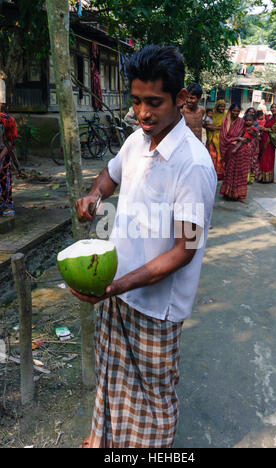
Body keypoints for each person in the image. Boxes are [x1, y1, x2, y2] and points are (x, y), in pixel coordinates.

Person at [74, 45, 217, 449]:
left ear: (181, 100)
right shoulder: (137, 141)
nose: (143, 113)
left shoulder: (192, 164)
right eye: (136, 101)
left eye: (154, 102)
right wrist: (94, 194)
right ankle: (102, 439)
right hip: (121, 287)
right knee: (113, 377)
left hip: (157, 305)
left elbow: (184, 249)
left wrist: (119, 286)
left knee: (153, 396)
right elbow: (110, 174)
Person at [219, 103, 252, 203]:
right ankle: (228, 193)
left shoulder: (242, 122)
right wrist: (237, 138)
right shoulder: (226, 122)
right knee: (230, 172)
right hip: (230, 150)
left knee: (241, 173)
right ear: (230, 111)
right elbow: (224, 138)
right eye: (234, 111)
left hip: (241, 150)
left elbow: (248, 135)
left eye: (237, 111)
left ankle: (240, 195)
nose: (235, 113)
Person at [259, 103, 276, 183]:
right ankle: (261, 177)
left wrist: (264, 129)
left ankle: (269, 178)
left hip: (270, 140)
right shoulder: (269, 116)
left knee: (269, 158)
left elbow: (274, 129)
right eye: (272, 107)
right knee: (262, 157)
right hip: (263, 139)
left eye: (275, 107)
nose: (273, 109)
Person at [0, 110, 18, 217]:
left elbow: (10, 141)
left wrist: (1, 156)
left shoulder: (7, 120)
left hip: (4, 151)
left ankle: (6, 205)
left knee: (4, 177)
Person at [205, 100, 227, 180]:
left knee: (220, 156)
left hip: (221, 139)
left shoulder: (226, 116)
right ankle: (211, 173)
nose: (222, 108)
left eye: (223, 106)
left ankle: (220, 174)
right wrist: (209, 126)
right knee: (212, 156)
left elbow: (227, 128)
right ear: (217, 106)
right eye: (220, 106)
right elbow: (207, 125)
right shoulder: (211, 114)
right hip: (211, 139)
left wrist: (215, 128)